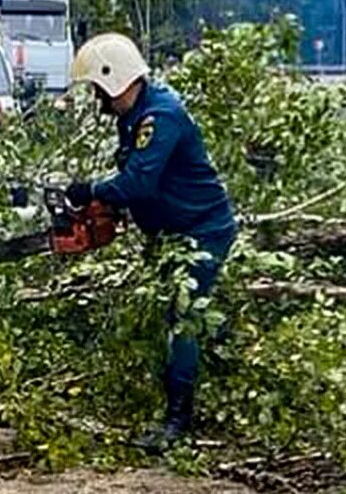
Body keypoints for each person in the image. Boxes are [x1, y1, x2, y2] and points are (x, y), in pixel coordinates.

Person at [65, 33, 237, 454]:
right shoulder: (135, 115)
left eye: (97, 89)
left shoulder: (160, 115)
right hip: (169, 234)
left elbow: (139, 182)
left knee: (182, 319)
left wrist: (90, 190)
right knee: (171, 317)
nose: (96, 99)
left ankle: (179, 420)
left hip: (201, 231)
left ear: (113, 78)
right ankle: (213, 371)